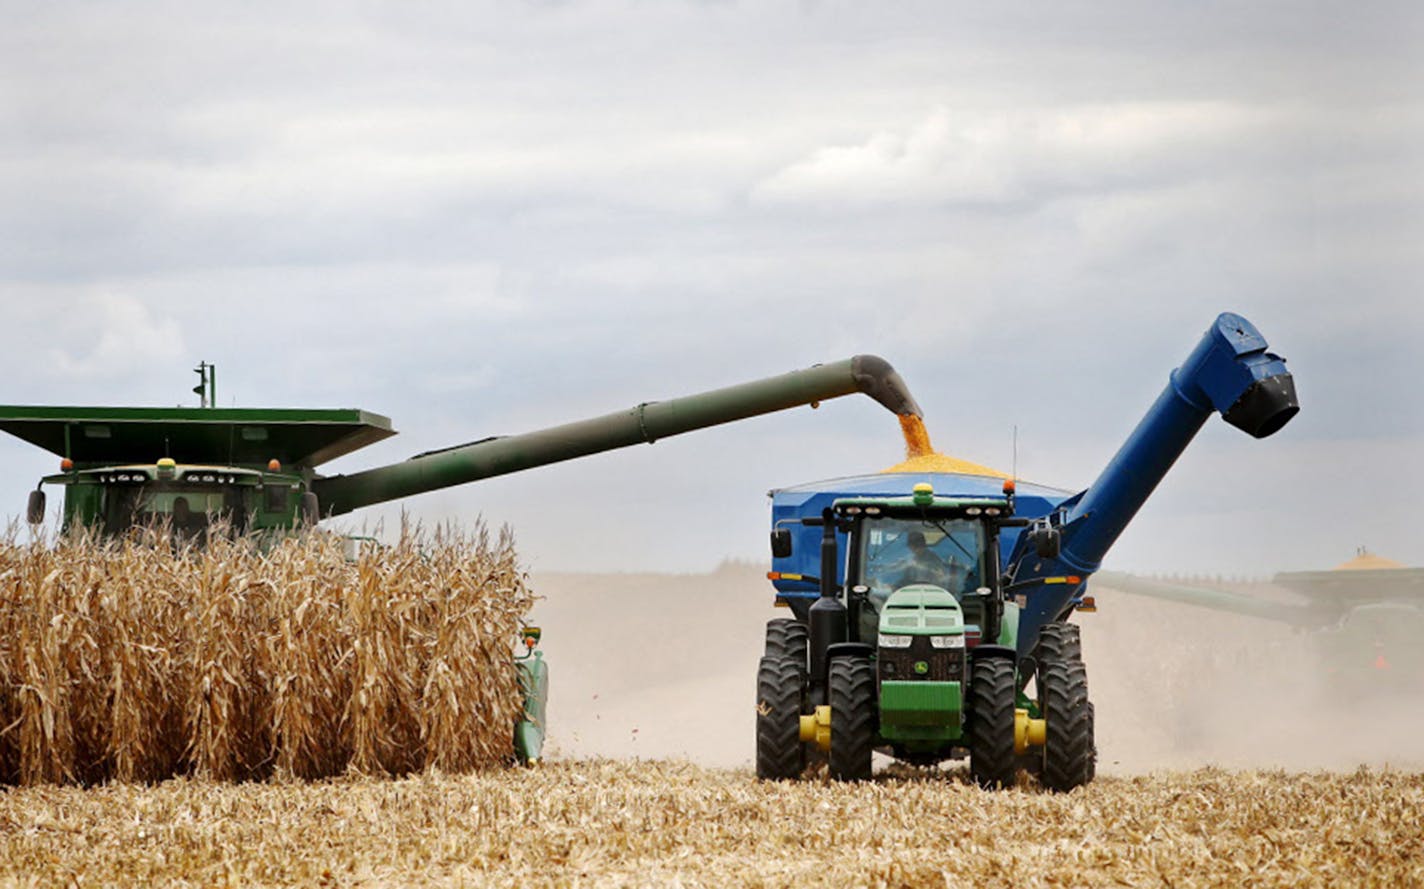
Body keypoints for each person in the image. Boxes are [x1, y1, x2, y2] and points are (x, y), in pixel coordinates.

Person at [896, 530, 961, 591]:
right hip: (913, 592)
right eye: (913, 547)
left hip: (931, 592)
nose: (915, 549)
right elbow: (907, 579)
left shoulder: (933, 559)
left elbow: (940, 578)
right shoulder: (911, 560)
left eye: (918, 546)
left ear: (923, 545)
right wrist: (896, 586)